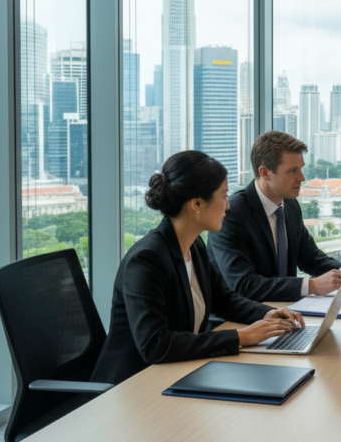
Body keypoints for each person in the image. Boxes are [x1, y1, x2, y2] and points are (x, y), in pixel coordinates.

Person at [92, 151, 305, 385]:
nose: (228, 206)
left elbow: (224, 299)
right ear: (196, 204)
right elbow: (155, 345)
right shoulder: (146, 260)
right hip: (132, 385)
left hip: (180, 372)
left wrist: (266, 313)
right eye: (223, 196)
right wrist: (240, 337)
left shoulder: (194, 245)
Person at [207, 131, 341, 302]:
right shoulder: (232, 214)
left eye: (301, 169)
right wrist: (312, 286)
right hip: (241, 319)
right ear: (265, 173)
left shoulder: (290, 204)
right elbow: (244, 285)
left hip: (284, 310)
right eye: (293, 171)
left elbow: (309, 256)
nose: (302, 178)